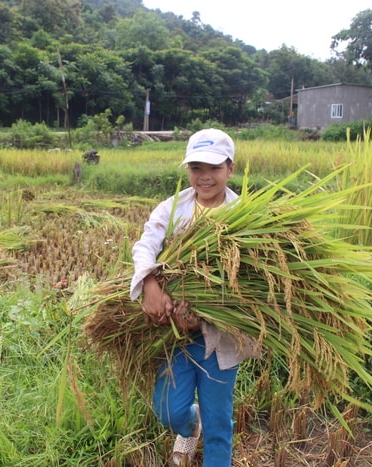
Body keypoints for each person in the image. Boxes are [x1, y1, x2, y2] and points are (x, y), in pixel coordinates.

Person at [130, 128, 259, 466]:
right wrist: (150, 284)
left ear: (231, 169)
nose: (204, 177)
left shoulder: (245, 217)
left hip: (222, 338)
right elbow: (146, 245)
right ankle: (190, 425)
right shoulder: (173, 209)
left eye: (214, 168)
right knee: (168, 410)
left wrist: (203, 316)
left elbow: (252, 285)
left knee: (220, 423)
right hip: (173, 335)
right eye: (196, 168)